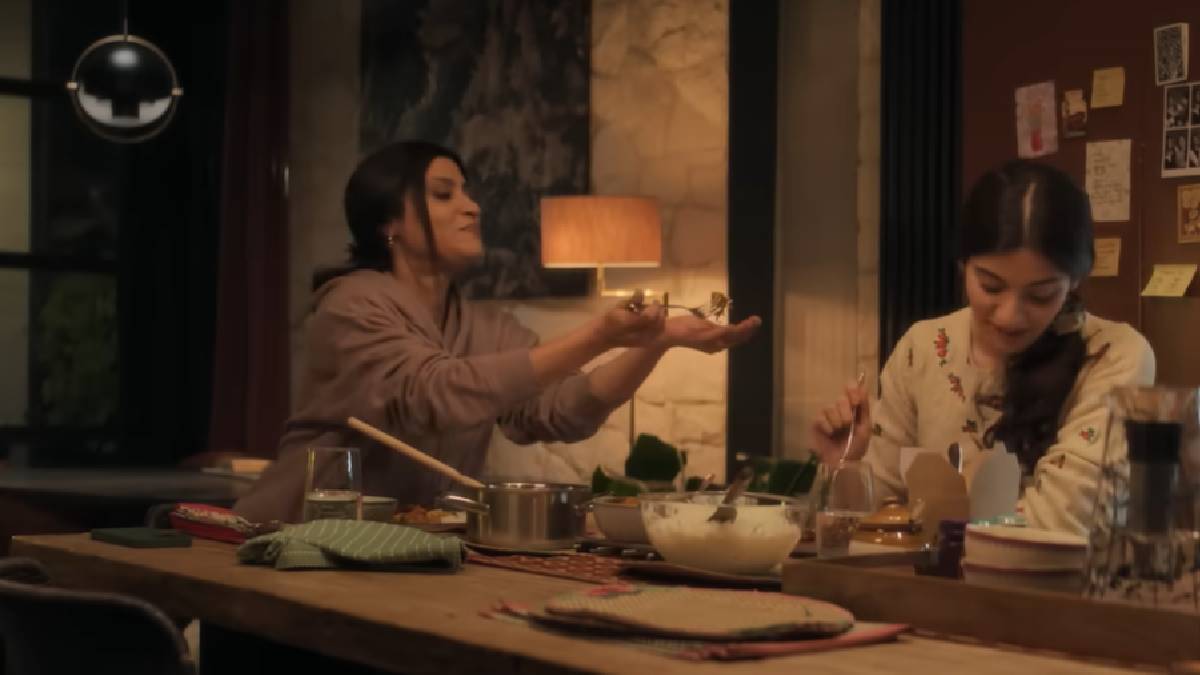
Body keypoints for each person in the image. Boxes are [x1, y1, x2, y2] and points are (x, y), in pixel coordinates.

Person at [235, 140, 761, 523]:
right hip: (300, 539)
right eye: (444, 195)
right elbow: (434, 395)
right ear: (389, 224)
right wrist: (599, 334)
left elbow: (561, 412)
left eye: (466, 192)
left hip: (405, 549)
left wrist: (658, 341)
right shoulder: (352, 303)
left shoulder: (484, 326)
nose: (472, 206)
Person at [810, 160, 1155, 535]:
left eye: (1040, 296)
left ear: (1073, 281)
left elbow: (1065, 522)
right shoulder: (923, 348)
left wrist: (931, 526)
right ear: (963, 265)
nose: (1010, 316)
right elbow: (876, 523)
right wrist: (845, 467)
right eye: (991, 286)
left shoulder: (1114, 355)